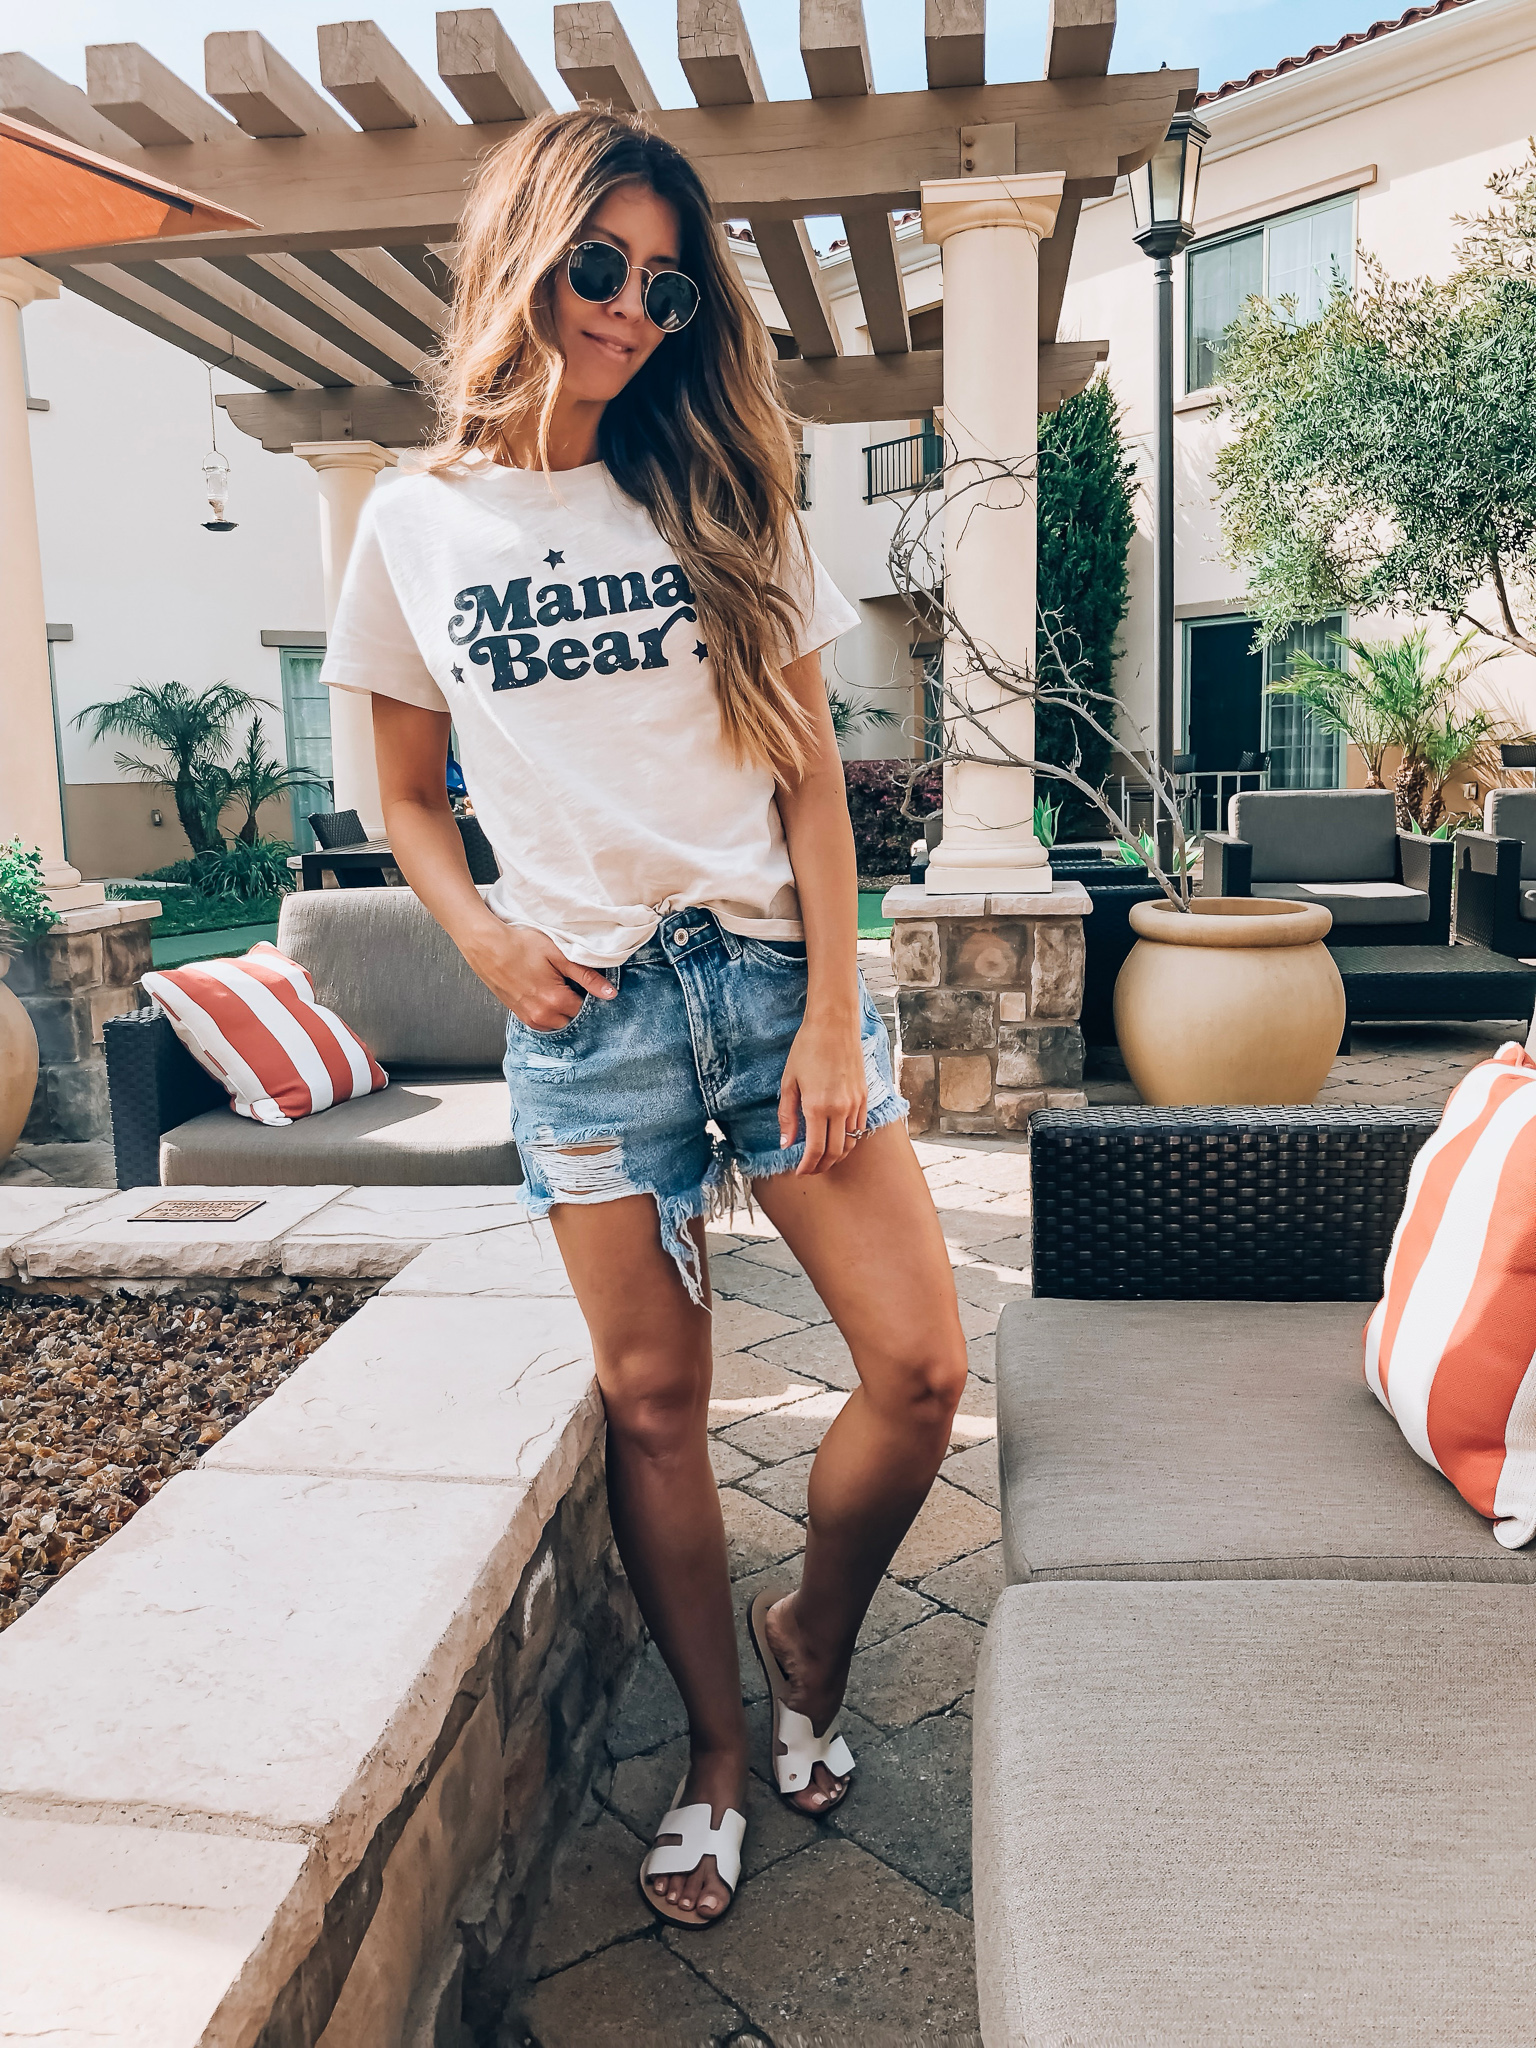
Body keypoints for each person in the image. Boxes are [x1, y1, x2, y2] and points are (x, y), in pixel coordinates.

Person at [321, 107, 968, 1930]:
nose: (625, 310)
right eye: (597, 265)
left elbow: (815, 788)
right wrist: (481, 940)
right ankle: (709, 1748)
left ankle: (807, 1637)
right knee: (658, 1408)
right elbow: (408, 795)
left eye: (664, 288)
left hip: (768, 986)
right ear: (525, 254)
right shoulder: (417, 522)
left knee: (919, 1371)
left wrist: (836, 1012)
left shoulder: (713, 489)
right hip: (590, 1019)